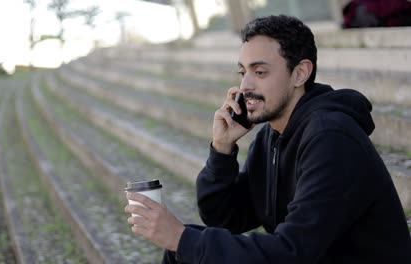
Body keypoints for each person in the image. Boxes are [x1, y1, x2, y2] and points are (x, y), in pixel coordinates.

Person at [124, 15, 411, 263]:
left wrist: (181, 238)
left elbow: (292, 251)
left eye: (260, 72)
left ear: (299, 73)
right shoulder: (271, 136)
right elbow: (225, 218)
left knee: (186, 247)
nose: (245, 85)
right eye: (243, 71)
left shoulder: (331, 138)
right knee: (182, 254)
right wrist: (222, 150)